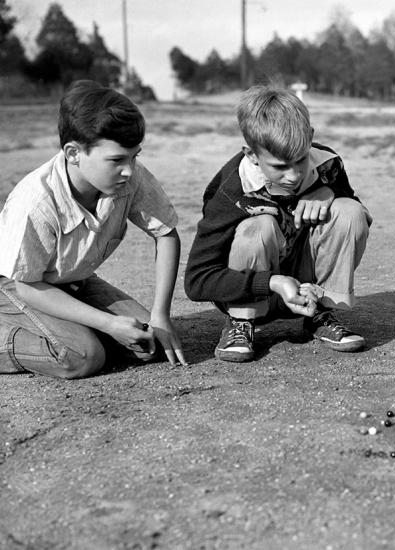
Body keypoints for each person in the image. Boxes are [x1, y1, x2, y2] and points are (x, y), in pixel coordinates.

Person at [0, 80, 187, 379]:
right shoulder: (35, 202)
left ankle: (77, 330)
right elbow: (27, 286)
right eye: (116, 160)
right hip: (17, 287)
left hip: (73, 281)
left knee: (148, 342)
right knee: (82, 357)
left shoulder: (128, 176)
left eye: (134, 156)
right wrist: (108, 324)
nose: (128, 169)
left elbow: (165, 233)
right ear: (73, 153)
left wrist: (161, 314)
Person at [184, 87, 371, 362]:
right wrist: (270, 282)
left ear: (310, 138)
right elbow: (197, 280)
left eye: (301, 160)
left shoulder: (327, 165)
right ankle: (241, 322)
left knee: (350, 212)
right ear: (251, 154)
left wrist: (328, 193)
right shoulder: (231, 190)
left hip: (305, 290)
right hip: (254, 290)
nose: (294, 176)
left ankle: (319, 311)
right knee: (257, 228)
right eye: (280, 167)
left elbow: (354, 214)